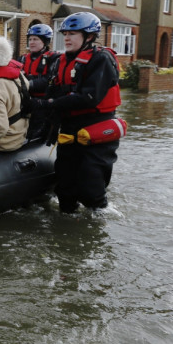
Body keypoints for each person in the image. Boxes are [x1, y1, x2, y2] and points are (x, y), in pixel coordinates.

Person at [40, 12, 122, 213]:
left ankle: (99, 214)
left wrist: (50, 103)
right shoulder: (60, 61)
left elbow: (89, 97)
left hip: (95, 127)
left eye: (73, 34)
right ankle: (67, 215)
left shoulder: (101, 59)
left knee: (91, 183)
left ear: (90, 37)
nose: (67, 38)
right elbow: (53, 91)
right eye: (65, 34)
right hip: (70, 127)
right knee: (65, 186)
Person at [20, 24, 60, 140]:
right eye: (30, 39)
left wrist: (27, 84)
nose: (31, 42)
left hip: (43, 103)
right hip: (26, 101)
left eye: (36, 39)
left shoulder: (54, 58)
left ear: (45, 41)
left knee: (37, 132)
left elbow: (49, 80)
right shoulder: (22, 59)